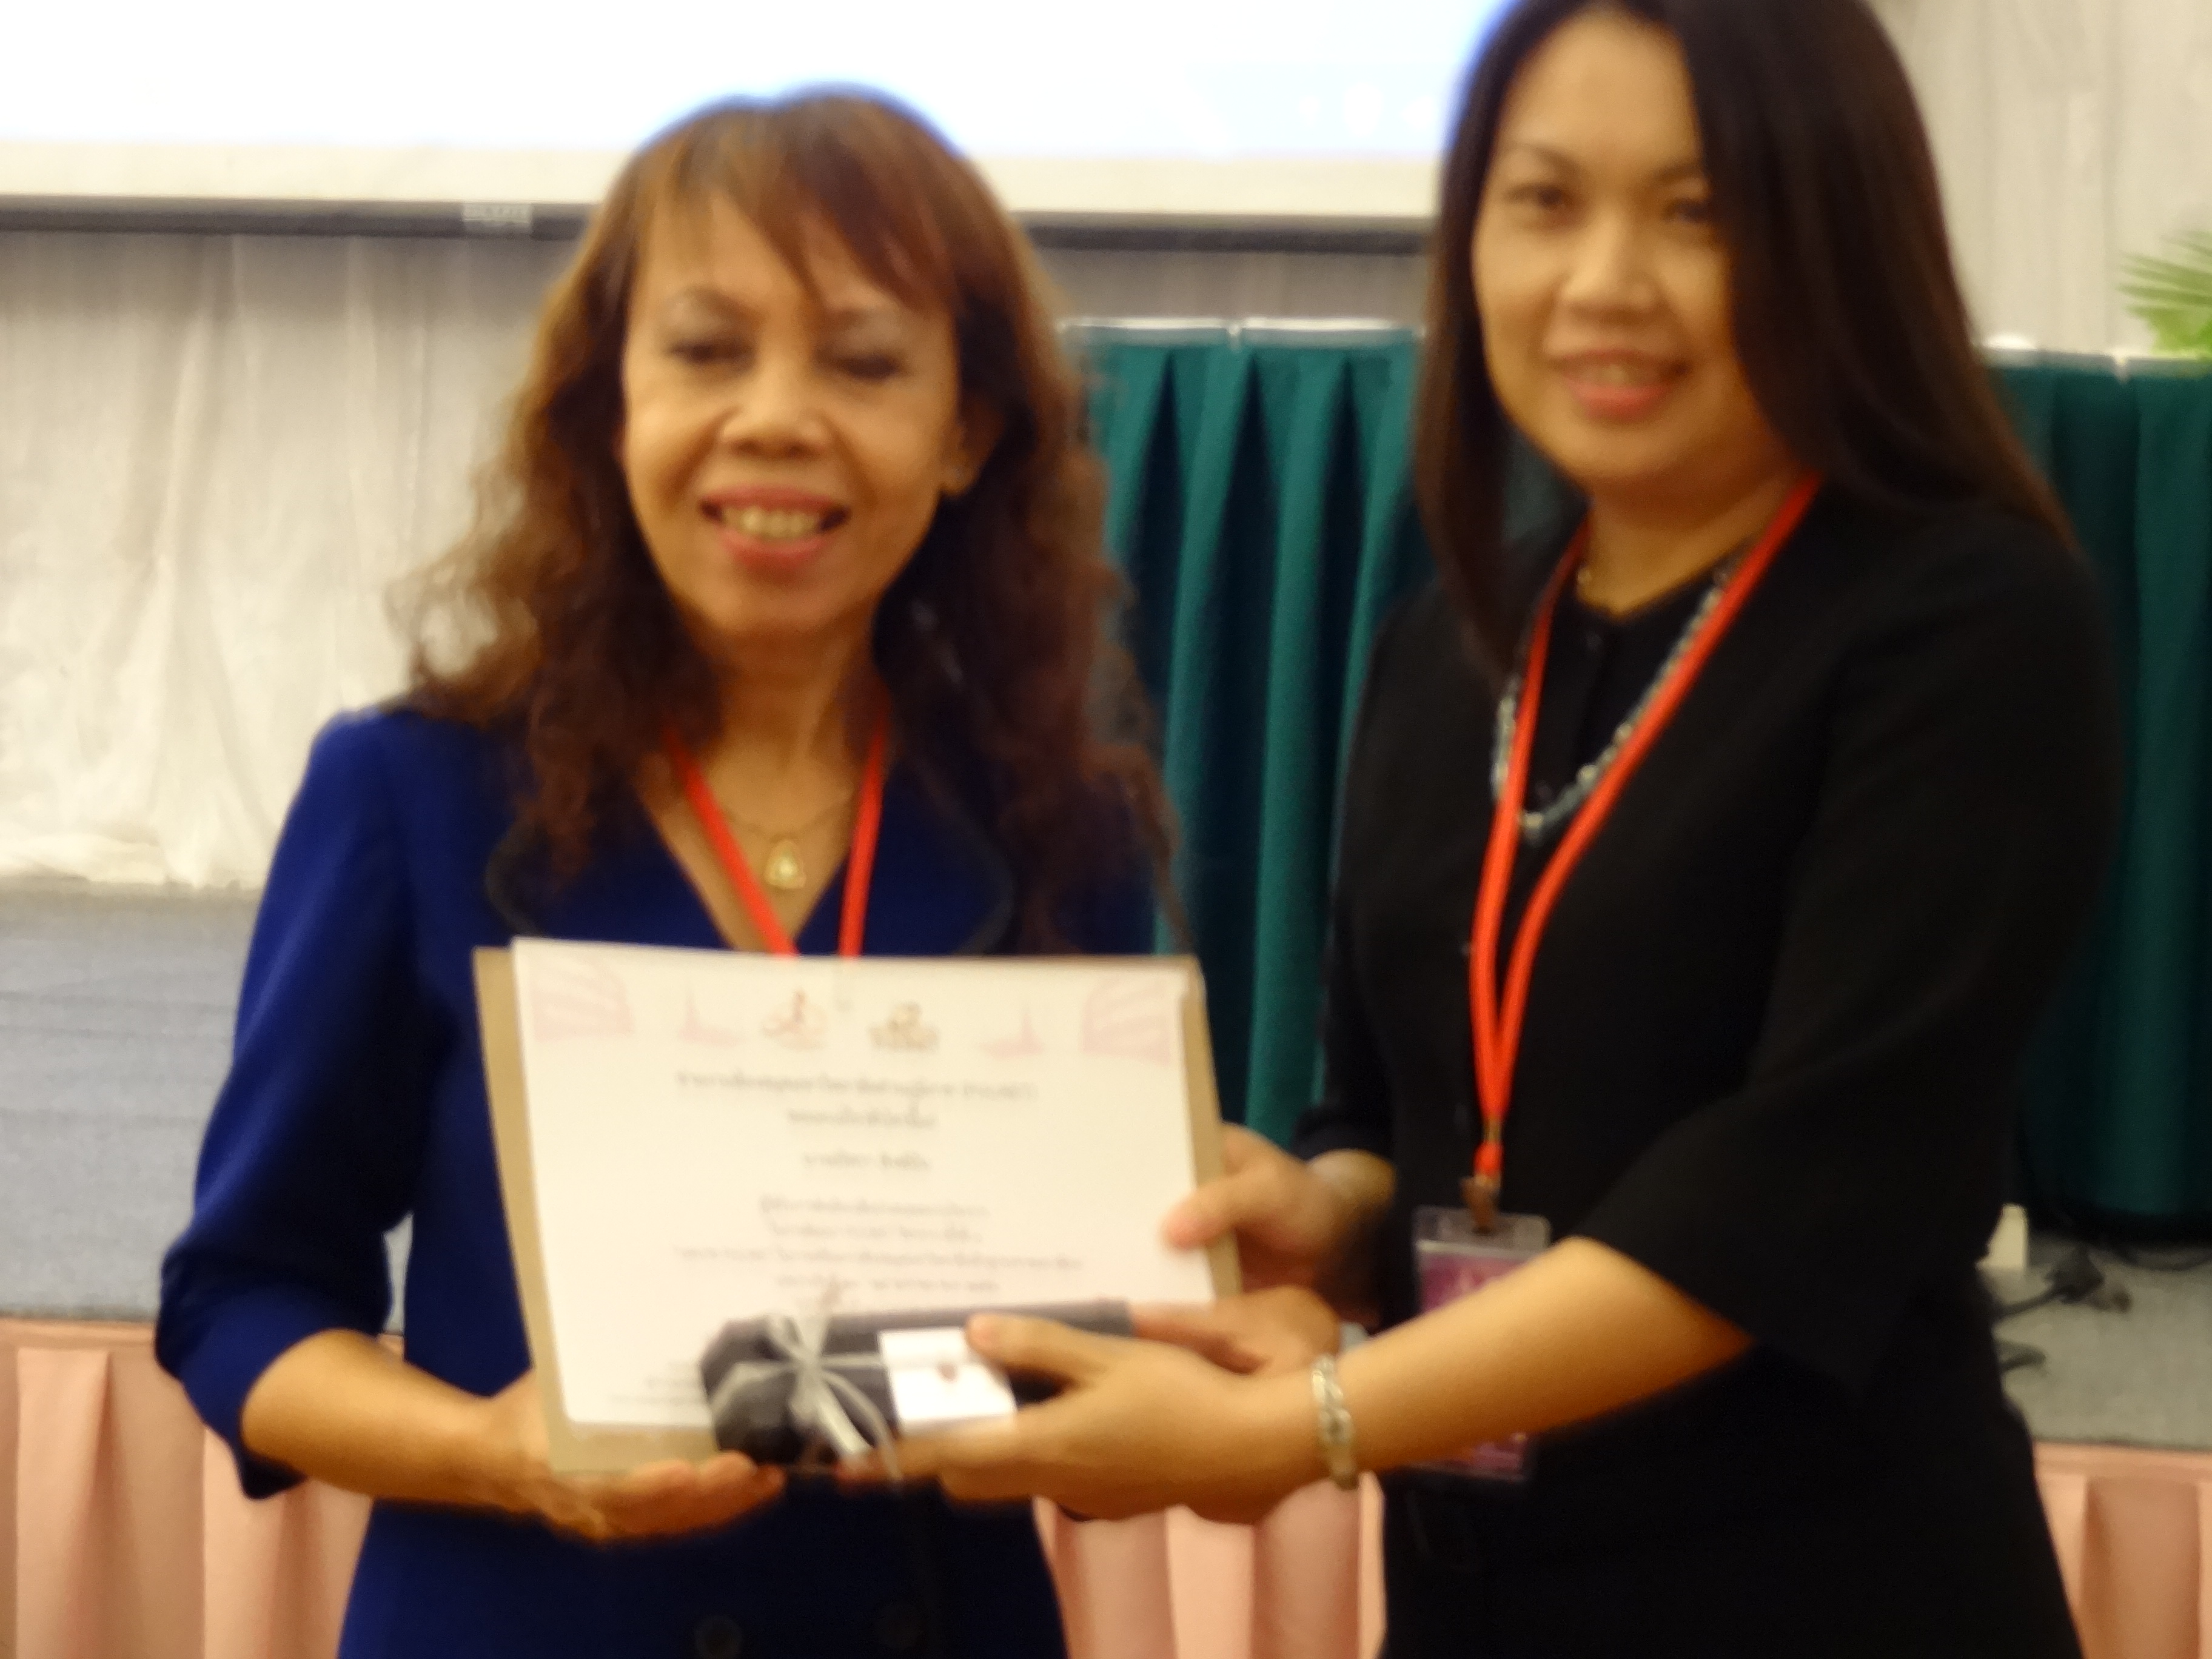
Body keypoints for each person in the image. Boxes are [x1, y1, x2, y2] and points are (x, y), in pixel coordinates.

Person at [879, 3, 2119, 1655]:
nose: (1604, 281)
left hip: (1829, 1589)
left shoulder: (1968, 620)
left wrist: (1309, 1421)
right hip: (1476, 1592)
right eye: (1544, 202)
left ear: (1841, 231)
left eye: (1698, 211)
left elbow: (1792, 1197)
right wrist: (1331, 1218)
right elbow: (1387, 1106)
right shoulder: (1458, 646)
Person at [156, 90, 1167, 1659]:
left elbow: (1105, 1383)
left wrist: (1184, 1359)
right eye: (706, 350)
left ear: (967, 430)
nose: (775, 417)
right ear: (609, 407)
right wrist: (493, 1454)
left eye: (863, 361)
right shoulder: (411, 796)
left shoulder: (1062, 829)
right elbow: (244, 1303)